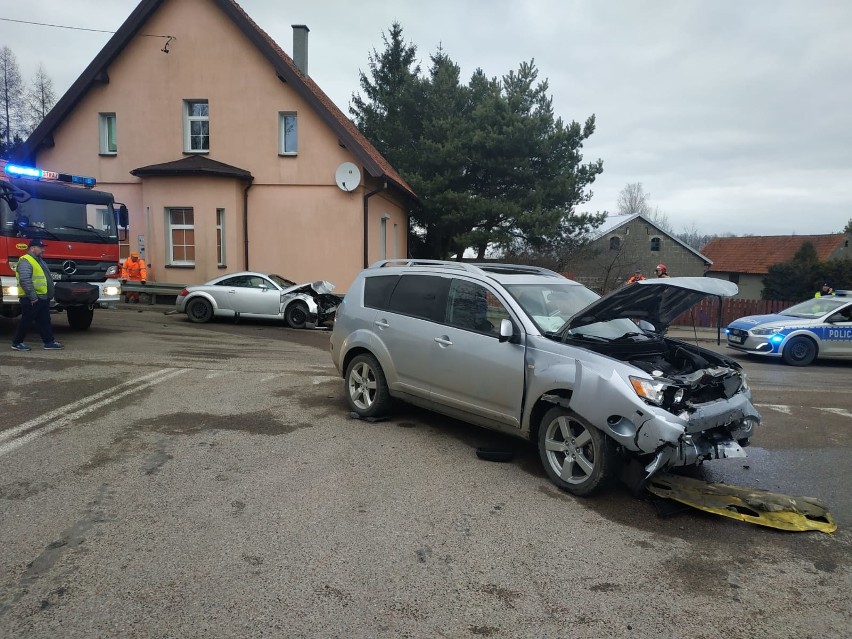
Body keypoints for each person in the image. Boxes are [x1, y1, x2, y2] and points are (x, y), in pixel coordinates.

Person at [11, 238, 64, 351]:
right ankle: (17, 342)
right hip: (32, 298)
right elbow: (25, 280)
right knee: (27, 320)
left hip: (42, 297)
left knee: (44, 320)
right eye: (41, 248)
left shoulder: (39, 260)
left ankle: (49, 342)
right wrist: (33, 297)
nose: (43, 250)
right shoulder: (25, 260)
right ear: (32, 248)